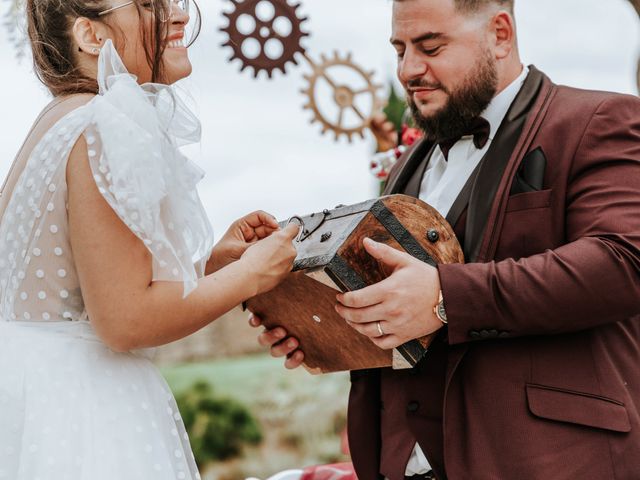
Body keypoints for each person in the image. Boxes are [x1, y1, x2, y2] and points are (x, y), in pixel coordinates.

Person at [251, 0, 640, 478]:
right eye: (400, 50)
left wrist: (444, 297)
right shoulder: (406, 165)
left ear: (500, 34)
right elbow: (405, 318)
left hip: (547, 462)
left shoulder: (598, 120)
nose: (409, 69)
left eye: (430, 46)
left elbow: (623, 262)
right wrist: (324, 330)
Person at [0, 0, 299, 478]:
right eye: (148, 5)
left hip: (31, 404)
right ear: (91, 37)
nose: (178, 15)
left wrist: (209, 268)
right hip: (86, 414)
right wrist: (250, 276)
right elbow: (124, 321)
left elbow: (87, 295)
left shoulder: (58, 119)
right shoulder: (104, 122)